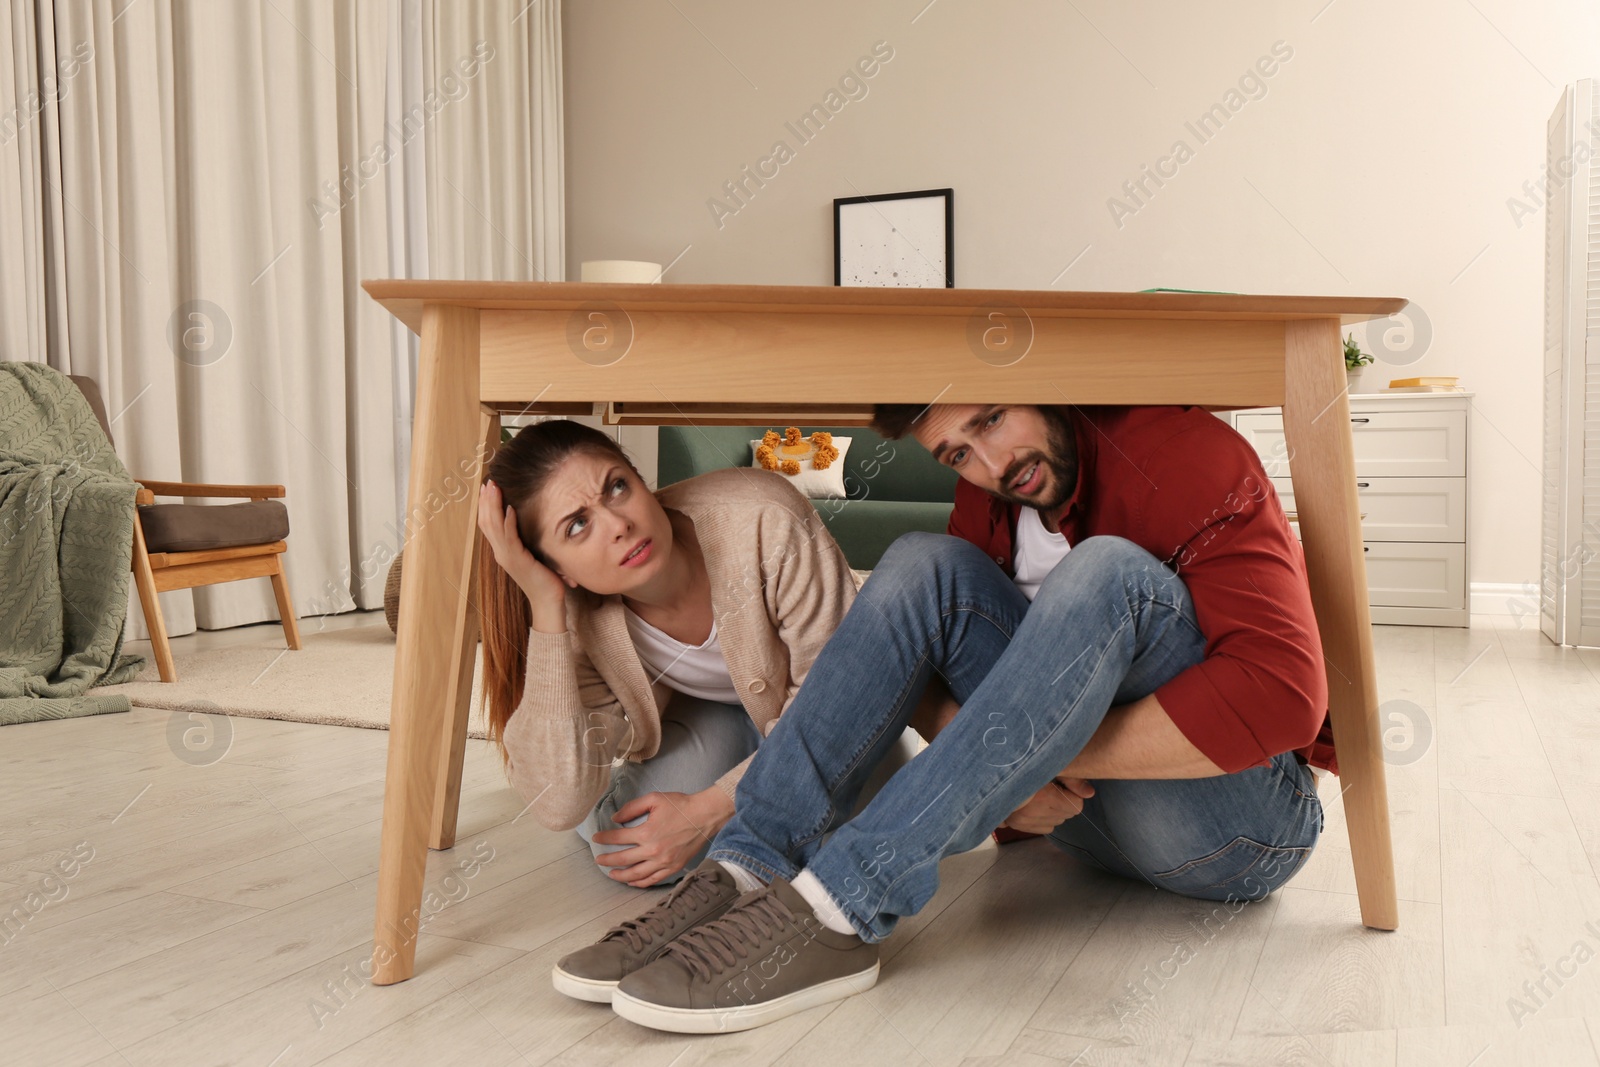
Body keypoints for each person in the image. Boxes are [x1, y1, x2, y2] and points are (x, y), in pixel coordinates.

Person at [565, 402, 1335, 1034]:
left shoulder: (1184, 449)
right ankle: (747, 864)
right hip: (1078, 826)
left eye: (994, 419)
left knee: (1109, 572)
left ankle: (841, 905)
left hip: (1238, 831)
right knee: (920, 564)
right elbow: (928, 660)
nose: (993, 465)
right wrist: (1007, 768)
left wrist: (1017, 761)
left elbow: (1284, 693)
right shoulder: (993, 498)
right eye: (958, 454)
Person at [476, 420, 859, 998]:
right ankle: (634, 797)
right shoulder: (577, 611)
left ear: (640, 478)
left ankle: (743, 811)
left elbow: (840, 704)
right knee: (637, 854)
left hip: (814, 715)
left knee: (849, 825)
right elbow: (553, 802)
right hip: (706, 720)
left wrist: (710, 807)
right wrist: (545, 606)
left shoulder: (762, 517)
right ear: (557, 567)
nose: (620, 525)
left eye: (616, 488)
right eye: (577, 526)